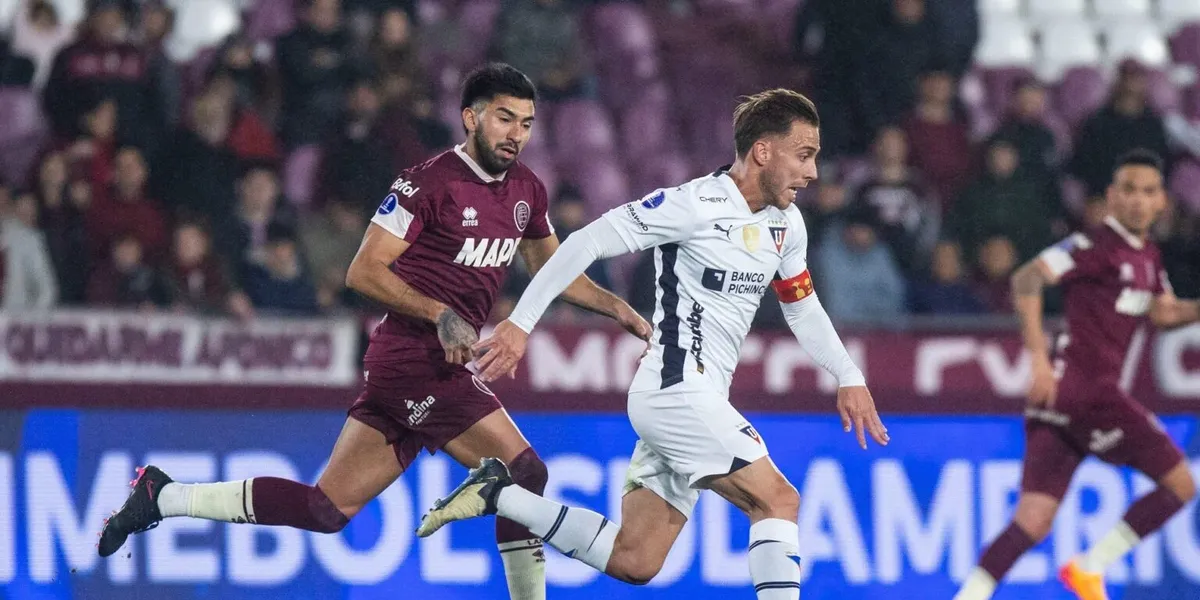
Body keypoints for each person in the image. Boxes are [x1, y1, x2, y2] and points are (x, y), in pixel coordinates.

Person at [96, 63, 648, 600]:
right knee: (523, 472)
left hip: (433, 368)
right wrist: (440, 314)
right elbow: (362, 271)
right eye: (505, 119)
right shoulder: (426, 183)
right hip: (413, 359)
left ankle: (162, 496)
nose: (517, 135)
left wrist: (615, 307)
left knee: (326, 509)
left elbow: (554, 272)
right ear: (470, 119)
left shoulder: (528, 189)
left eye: (526, 123)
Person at [415, 89, 888, 600]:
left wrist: (848, 374)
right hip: (675, 391)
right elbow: (584, 241)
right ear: (763, 152)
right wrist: (521, 323)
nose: (813, 173)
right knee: (778, 501)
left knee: (636, 560)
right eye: (805, 155)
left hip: (700, 397)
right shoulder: (692, 205)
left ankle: (498, 494)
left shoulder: (785, 224)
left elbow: (801, 306)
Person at [953, 149, 1199, 600]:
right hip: (1089, 393)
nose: (1138, 201)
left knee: (1031, 520)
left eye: (1148, 192)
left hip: (1060, 404)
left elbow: (1163, 313)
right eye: (1128, 190)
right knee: (1181, 484)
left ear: (1162, 200)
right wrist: (1039, 360)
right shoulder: (1093, 246)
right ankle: (1091, 566)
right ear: (1111, 196)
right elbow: (1026, 278)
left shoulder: (1149, 257)